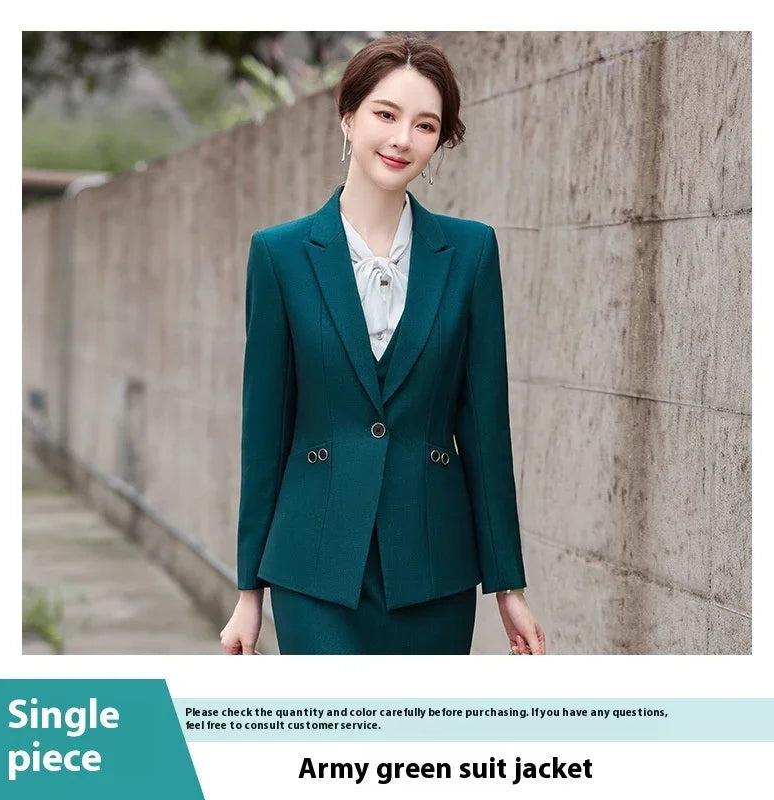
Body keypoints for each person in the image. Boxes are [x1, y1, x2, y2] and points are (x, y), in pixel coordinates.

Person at [220, 34, 546, 655]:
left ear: (440, 140)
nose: (402, 139)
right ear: (348, 116)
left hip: (432, 566)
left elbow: (485, 428)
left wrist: (509, 585)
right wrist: (248, 594)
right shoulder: (280, 255)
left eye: (425, 125)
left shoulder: (471, 252)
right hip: (314, 567)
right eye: (386, 114)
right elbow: (264, 431)